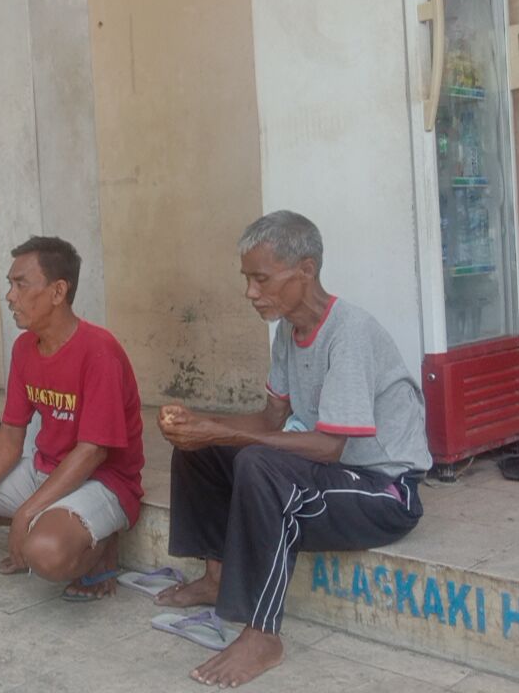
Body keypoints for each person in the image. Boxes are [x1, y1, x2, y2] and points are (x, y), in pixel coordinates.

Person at [154, 210, 431, 687]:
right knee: (204, 450)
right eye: (247, 279)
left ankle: (262, 633)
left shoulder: (349, 332)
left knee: (261, 464)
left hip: (384, 493)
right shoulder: (288, 329)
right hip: (336, 476)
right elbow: (270, 420)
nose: (250, 292)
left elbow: (328, 446)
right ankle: (217, 576)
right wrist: (202, 426)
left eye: (261, 279)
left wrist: (222, 431)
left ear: (306, 270)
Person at [0, 236, 145, 601]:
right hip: (43, 470)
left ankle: (99, 549)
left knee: (45, 554)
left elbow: (92, 452)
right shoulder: (24, 347)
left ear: (58, 291)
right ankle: (43, 524)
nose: (10, 296)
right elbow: (11, 432)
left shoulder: (99, 351)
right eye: (10, 284)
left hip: (104, 481)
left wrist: (25, 514)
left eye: (21, 284)